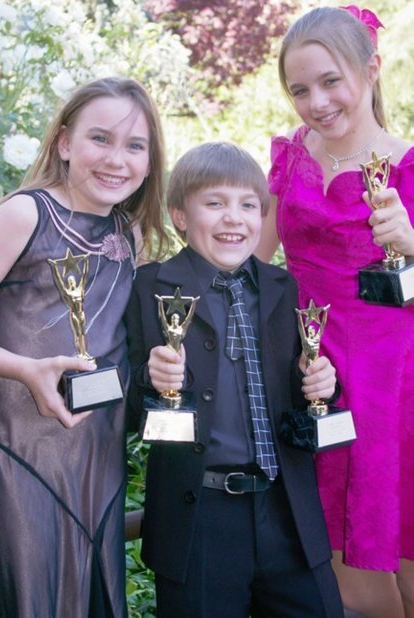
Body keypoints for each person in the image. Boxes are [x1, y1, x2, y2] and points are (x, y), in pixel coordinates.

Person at [0, 76, 167, 617]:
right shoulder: (25, 215)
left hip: (98, 459)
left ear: (150, 161)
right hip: (21, 452)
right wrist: (25, 368)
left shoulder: (129, 234)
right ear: (64, 143)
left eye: (134, 146)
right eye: (100, 138)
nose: (116, 159)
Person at [126, 141, 344, 617]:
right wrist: (148, 376)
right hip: (199, 518)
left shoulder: (285, 288)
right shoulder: (150, 288)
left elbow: (306, 392)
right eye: (215, 203)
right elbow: (122, 405)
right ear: (181, 216)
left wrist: (323, 385)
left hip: (287, 514)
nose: (234, 218)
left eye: (248, 205)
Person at [256, 6, 414, 617]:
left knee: (399, 555)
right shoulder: (291, 155)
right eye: (299, 89)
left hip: (393, 380)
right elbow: (255, 259)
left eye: (329, 80)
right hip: (316, 373)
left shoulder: (407, 164)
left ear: (371, 69)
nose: (315, 101)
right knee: (346, 572)